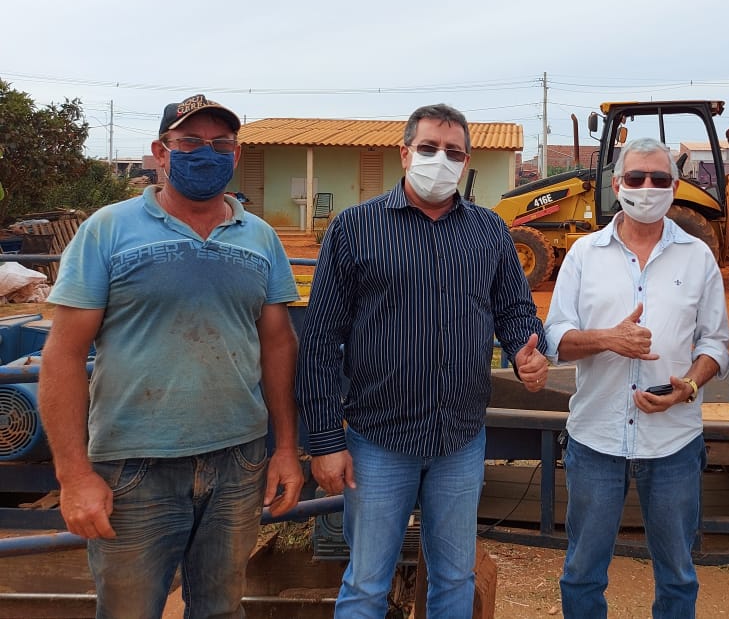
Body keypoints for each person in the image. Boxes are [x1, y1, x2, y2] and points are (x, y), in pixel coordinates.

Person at [39, 93, 304, 619]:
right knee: (129, 611)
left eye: (220, 143)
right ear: (160, 152)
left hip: (238, 461)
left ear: (235, 154)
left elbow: (278, 344)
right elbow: (62, 356)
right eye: (189, 143)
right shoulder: (108, 230)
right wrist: (73, 476)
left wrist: (285, 448)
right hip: (134, 467)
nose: (206, 153)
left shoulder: (261, 238)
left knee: (222, 609)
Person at [295, 102, 550, 618]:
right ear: (405, 153)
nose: (441, 159)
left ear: (466, 161)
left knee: (454, 578)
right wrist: (324, 441)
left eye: (453, 152)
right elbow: (320, 341)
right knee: (367, 582)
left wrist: (531, 348)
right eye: (429, 148)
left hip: (460, 438)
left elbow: (515, 310)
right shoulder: (355, 229)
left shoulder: (489, 232)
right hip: (378, 442)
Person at [544, 137, 729, 619]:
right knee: (583, 571)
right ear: (616, 184)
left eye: (659, 179)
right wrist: (608, 339)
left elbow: (715, 343)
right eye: (636, 178)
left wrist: (687, 386)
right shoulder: (585, 254)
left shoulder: (697, 257)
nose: (647, 188)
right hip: (596, 441)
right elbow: (555, 339)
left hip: (673, 445)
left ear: (674, 186)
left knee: (677, 573)